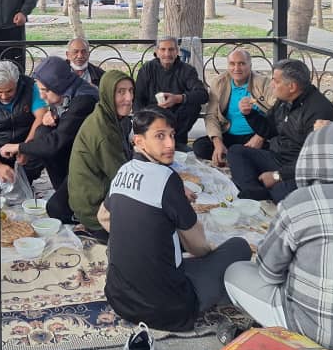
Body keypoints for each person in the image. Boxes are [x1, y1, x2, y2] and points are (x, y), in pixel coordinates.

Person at [224, 121, 333, 350]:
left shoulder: (299, 202)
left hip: (317, 336)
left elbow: (268, 272)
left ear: (310, 156)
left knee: (235, 272)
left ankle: (287, 341)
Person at [100, 109, 252, 332]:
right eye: (160, 136)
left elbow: (103, 216)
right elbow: (198, 248)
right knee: (239, 246)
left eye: (171, 135)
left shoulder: (123, 171)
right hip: (169, 309)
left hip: (119, 300)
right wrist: (210, 248)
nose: (170, 144)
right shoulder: (166, 178)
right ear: (139, 141)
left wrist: (139, 238)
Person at [227, 59, 333, 202]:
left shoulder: (318, 112)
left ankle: (262, 188)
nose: (271, 85)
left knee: (280, 192)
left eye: (276, 81)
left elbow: (314, 160)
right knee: (236, 151)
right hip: (278, 157)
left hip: (301, 168)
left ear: (292, 86)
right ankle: (256, 191)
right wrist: (249, 114)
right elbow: (269, 130)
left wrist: (278, 175)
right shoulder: (284, 99)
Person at [0, 56, 99, 199]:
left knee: (55, 208)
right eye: (40, 90)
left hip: (92, 163)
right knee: (42, 131)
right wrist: (53, 113)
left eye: (45, 90)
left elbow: (55, 143)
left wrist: (19, 147)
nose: (41, 96)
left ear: (58, 85)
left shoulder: (83, 101)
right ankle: (57, 188)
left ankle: (70, 195)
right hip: (74, 148)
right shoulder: (67, 88)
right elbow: (62, 112)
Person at [61, 70, 135, 241]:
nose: (129, 98)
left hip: (91, 193)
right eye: (121, 92)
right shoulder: (104, 132)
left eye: (131, 91)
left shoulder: (107, 114)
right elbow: (124, 178)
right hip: (94, 210)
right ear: (107, 94)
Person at [193, 47, 274, 165]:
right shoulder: (219, 82)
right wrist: (218, 143)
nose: (236, 68)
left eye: (242, 64)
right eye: (232, 64)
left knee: (276, 148)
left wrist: (260, 137)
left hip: (255, 135)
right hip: (228, 135)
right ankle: (241, 156)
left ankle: (235, 157)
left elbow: (277, 111)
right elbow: (211, 115)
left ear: (250, 66)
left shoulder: (263, 83)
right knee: (200, 147)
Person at [134, 36, 209, 151]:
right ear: (156, 52)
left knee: (193, 105)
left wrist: (178, 98)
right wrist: (140, 126)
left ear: (177, 51)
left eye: (171, 49)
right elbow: (138, 98)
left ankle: (177, 143)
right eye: (163, 49)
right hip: (154, 115)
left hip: (178, 118)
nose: (167, 54)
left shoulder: (187, 70)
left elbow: (203, 95)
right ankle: (152, 141)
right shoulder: (147, 69)